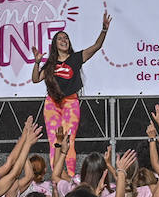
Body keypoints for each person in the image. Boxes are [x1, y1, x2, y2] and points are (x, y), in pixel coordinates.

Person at [31, 14, 112, 175]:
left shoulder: (76, 58)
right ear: (55, 44)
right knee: (55, 142)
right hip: (52, 104)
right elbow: (35, 79)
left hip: (70, 103)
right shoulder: (50, 64)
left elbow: (96, 46)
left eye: (66, 38)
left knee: (69, 141)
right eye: (60, 38)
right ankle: (57, 176)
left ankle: (70, 175)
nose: (64, 40)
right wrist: (37, 62)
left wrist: (104, 29)